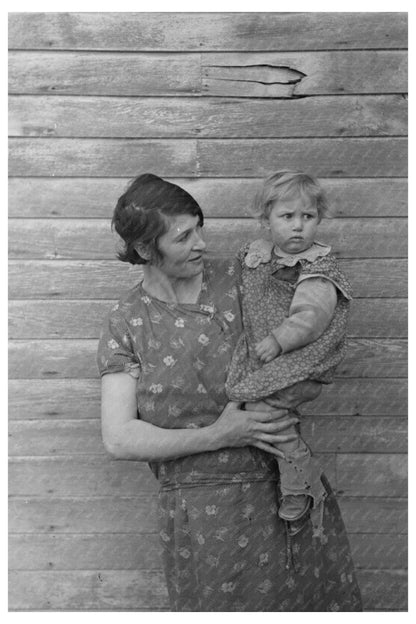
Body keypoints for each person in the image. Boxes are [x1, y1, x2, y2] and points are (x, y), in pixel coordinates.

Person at [97, 173, 362, 611]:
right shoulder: (126, 323)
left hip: (283, 491)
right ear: (146, 249)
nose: (201, 243)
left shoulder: (244, 274)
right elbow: (118, 437)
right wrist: (222, 433)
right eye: (184, 236)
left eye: (200, 227)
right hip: (201, 515)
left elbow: (313, 314)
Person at [226, 170, 352, 540]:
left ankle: (297, 474)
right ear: (265, 220)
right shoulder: (257, 256)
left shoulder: (318, 268)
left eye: (307, 217)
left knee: (264, 412)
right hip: (270, 357)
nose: (298, 226)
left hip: (302, 360)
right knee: (250, 404)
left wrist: (279, 340)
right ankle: (281, 463)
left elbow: (310, 317)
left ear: (318, 219)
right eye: (287, 216)